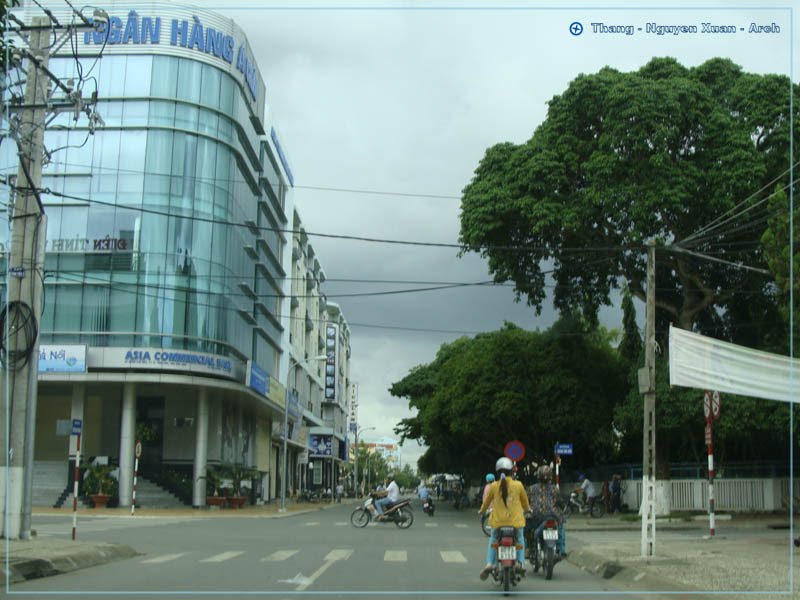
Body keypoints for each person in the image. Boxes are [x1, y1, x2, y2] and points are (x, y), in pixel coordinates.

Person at [478, 457, 530, 580]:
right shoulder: (518, 485)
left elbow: (486, 503)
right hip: (516, 523)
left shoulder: (494, 486)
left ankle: (490, 563)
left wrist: (482, 511)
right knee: (520, 539)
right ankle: (520, 562)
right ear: (512, 471)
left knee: (493, 540)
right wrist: (528, 510)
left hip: (498, 523)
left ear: (497, 472)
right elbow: (525, 503)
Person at [527, 465, 566, 556]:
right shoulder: (554, 489)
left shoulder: (532, 488)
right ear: (550, 477)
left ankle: (528, 549)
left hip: (536, 516)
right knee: (560, 528)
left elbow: (526, 502)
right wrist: (563, 507)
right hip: (554, 516)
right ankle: (561, 550)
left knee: (526, 528)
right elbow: (560, 502)